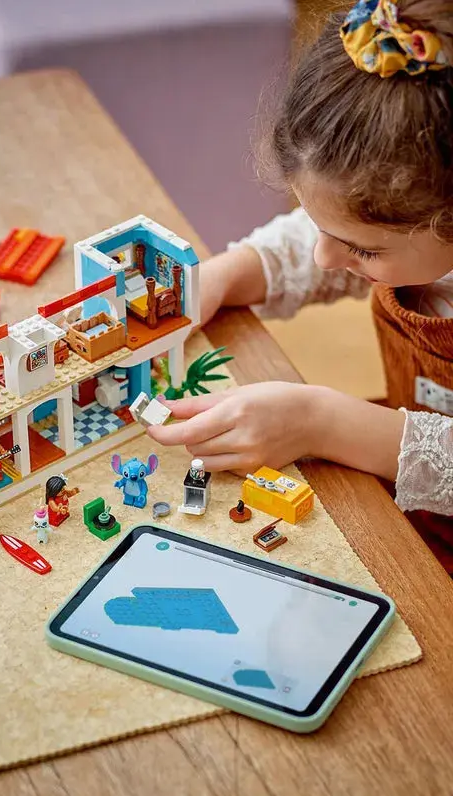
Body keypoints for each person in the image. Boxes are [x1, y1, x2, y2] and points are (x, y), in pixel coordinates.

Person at [146, 0, 453, 570]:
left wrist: (321, 422)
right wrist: (228, 274)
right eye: (317, 225)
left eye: (364, 251)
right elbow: (327, 234)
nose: (323, 257)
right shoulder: (411, 223)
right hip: (405, 499)